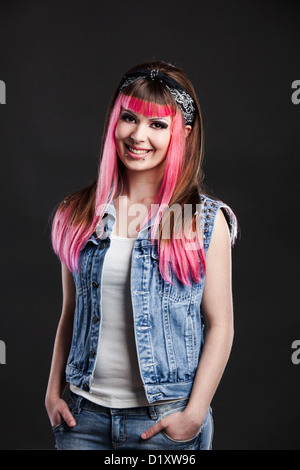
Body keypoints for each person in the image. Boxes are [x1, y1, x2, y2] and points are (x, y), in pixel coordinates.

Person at [45, 61, 239, 451]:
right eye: (129, 118)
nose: (138, 135)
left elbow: (221, 326)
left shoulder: (202, 221)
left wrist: (194, 415)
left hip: (165, 423)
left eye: (157, 124)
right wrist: (53, 393)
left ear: (182, 133)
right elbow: (71, 313)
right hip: (82, 419)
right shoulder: (79, 212)